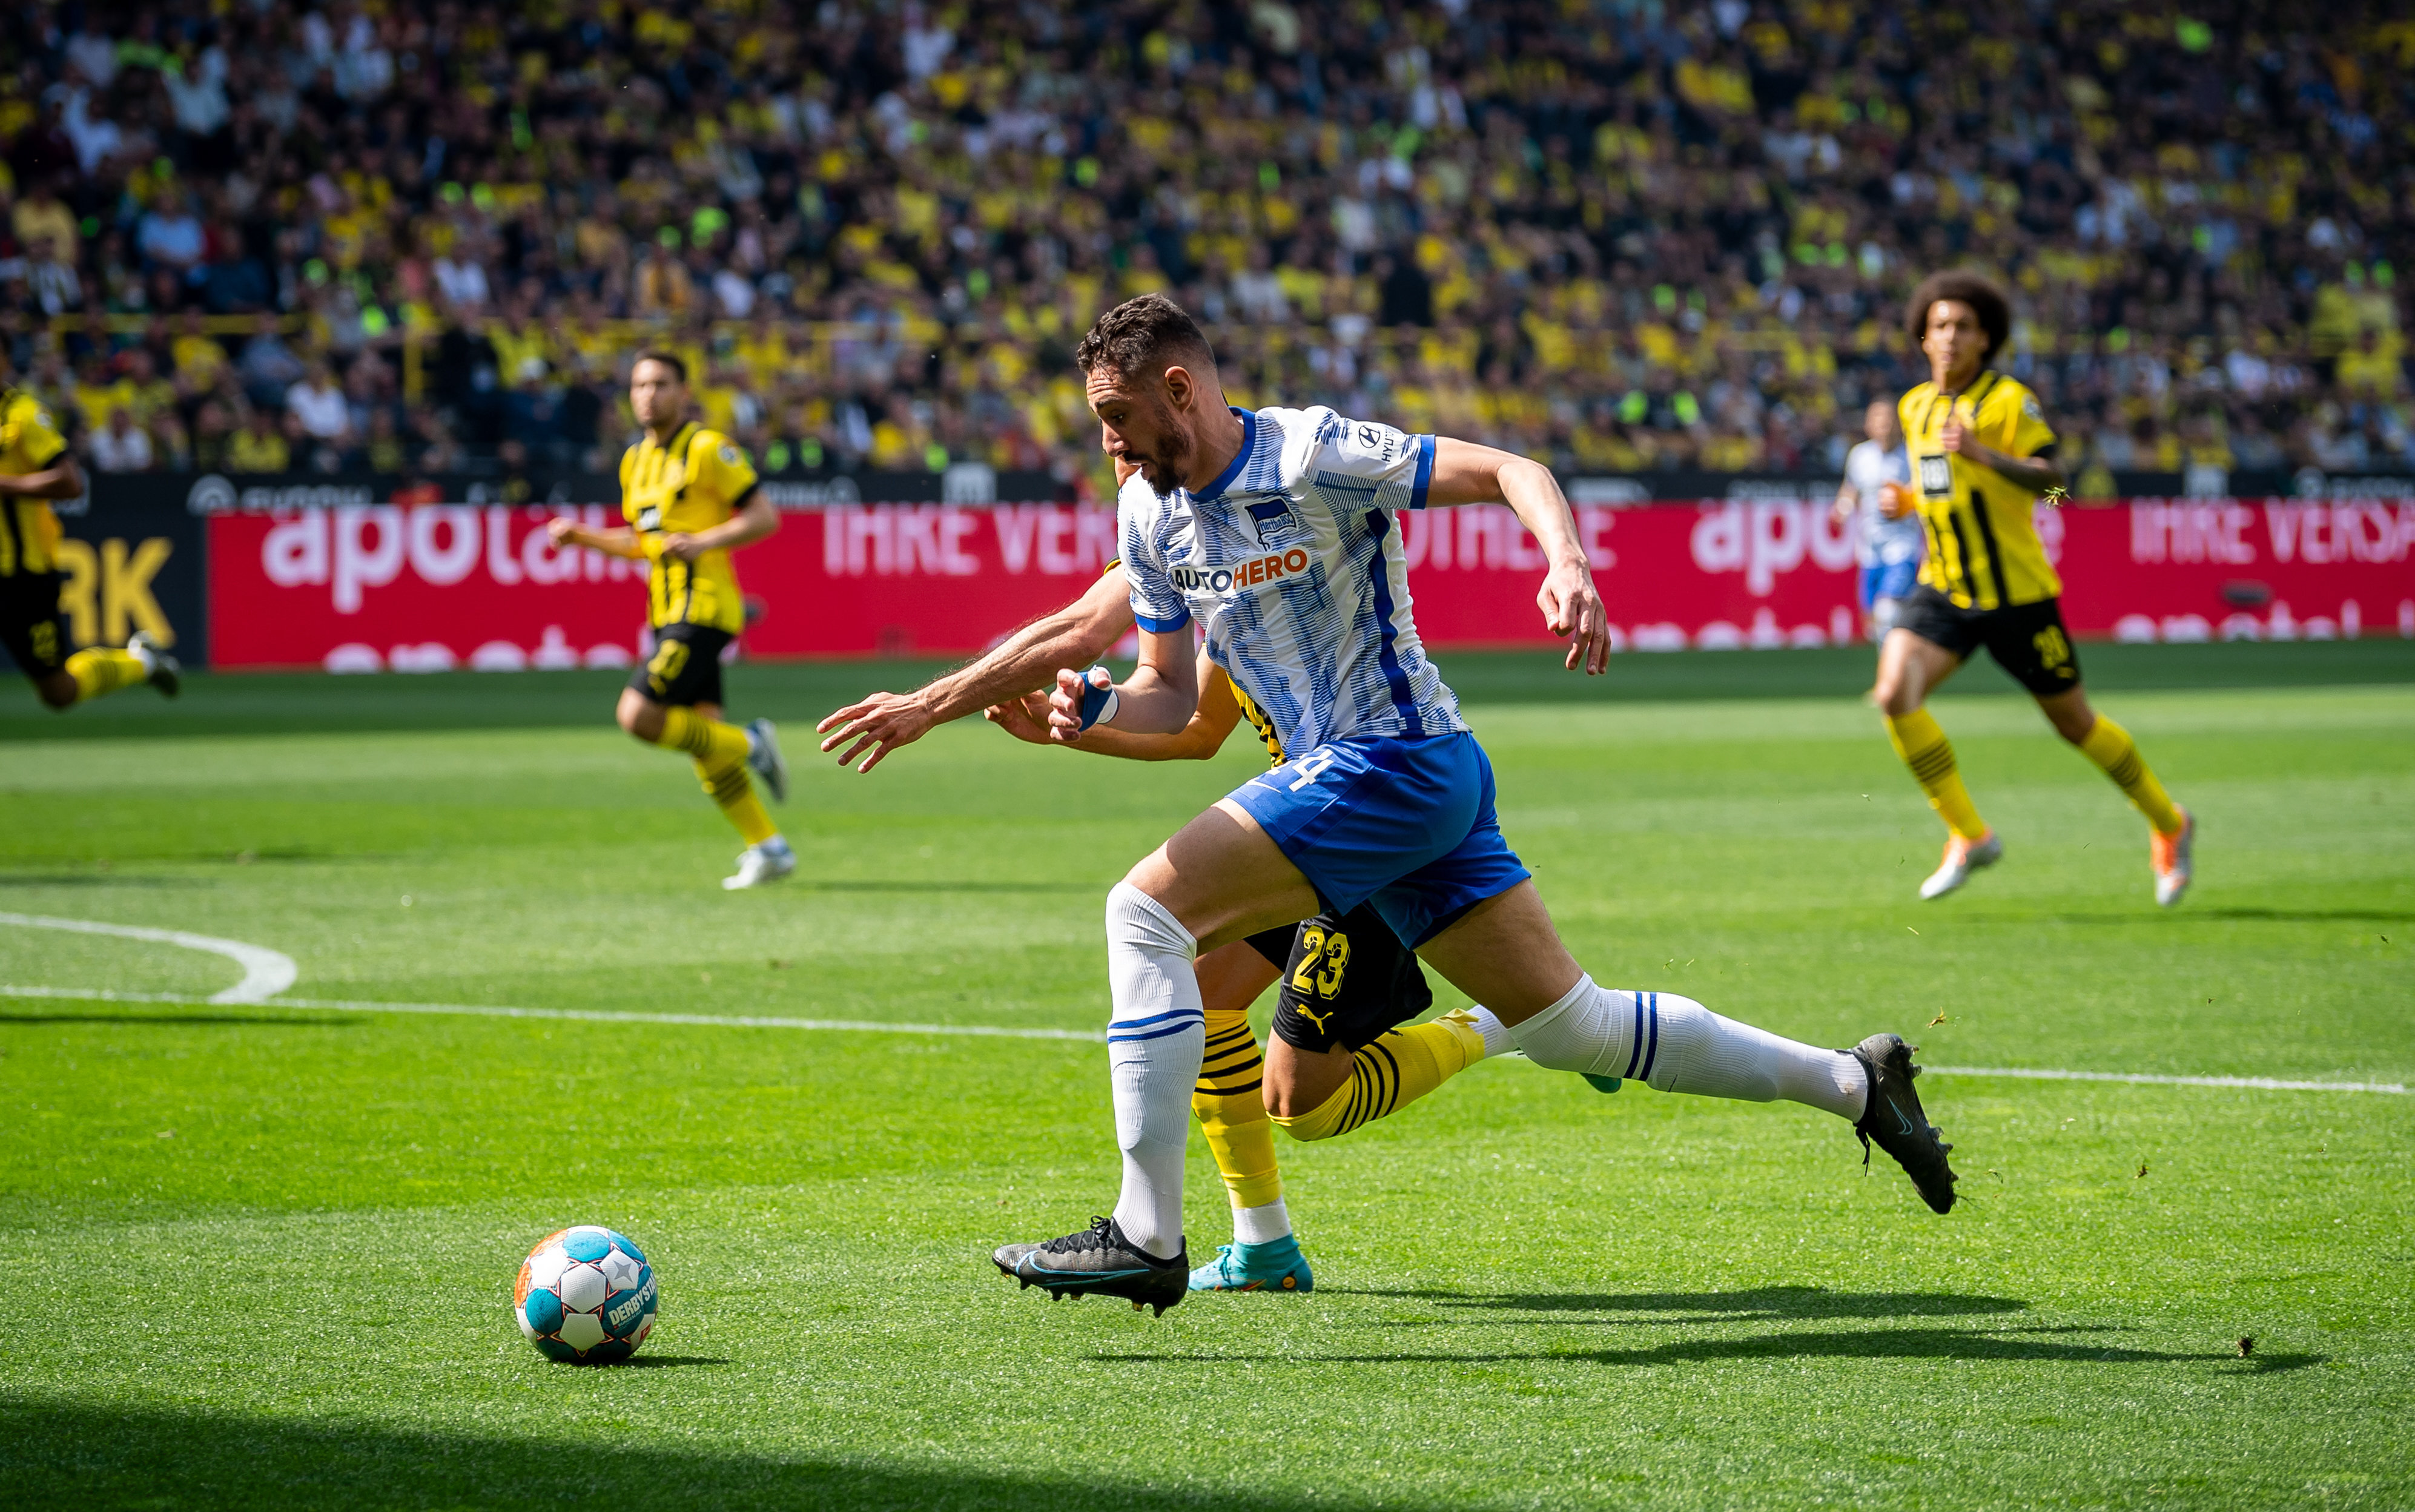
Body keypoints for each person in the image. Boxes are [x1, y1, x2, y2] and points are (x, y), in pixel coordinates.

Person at [989, 295, 1958, 1316]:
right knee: (1574, 1027)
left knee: (1146, 920)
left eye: (1116, 418)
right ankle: (1855, 1083)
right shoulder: (1176, 534)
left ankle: (1149, 1232)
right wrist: (1083, 716)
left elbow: (1509, 468)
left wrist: (1568, 563)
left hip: (1383, 774)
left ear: (1176, 392)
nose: (1109, 446)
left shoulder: (1306, 458)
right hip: (1371, 796)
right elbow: (1180, 708)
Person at [816, 463, 1581, 1296]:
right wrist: (1068, 736)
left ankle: (1507, 1022)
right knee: (1205, 994)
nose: (1127, 463)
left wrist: (932, 704)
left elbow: (1083, 632)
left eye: (1135, 439)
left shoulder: (1257, 537)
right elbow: (1198, 728)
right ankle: (1264, 1247)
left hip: (1358, 824)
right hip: (1291, 827)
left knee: (1304, 1104)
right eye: (1114, 446)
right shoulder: (1169, 549)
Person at [1878, 271, 2193, 905]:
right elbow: (1945, 490)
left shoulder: (2007, 403)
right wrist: (1906, 500)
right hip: (1944, 589)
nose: (1949, 337)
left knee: (2075, 725)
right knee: (1893, 693)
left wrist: (1986, 456)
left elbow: (2058, 484)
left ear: (1985, 339)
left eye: (1963, 327)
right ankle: (1969, 834)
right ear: (1922, 337)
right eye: (1939, 325)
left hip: (2018, 597)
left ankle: (2169, 821)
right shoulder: (1914, 408)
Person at [547, 351, 793, 890]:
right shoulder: (634, 460)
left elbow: (763, 517)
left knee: (637, 714)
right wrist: (582, 536)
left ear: (684, 392)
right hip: (665, 612)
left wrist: (702, 541)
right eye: (638, 385)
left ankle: (753, 743)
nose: (647, 395)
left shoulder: (708, 449)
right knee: (704, 743)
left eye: (659, 384)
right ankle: (768, 847)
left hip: (702, 608)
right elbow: (644, 543)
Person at [1, 381, 178, 709]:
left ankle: (143, 663)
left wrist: (6, 485)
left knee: (58, 692)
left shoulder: (22, 415)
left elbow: (70, 482)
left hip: (22, 579)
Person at [1831, 399, 1918, 641]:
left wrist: (1906, 502)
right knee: (1874, 624)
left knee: (1888, 611)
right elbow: (1851, 489)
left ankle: (1895, 674)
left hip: (1902, 545)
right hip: (1870, 548)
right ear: (1869, 425)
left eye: (1890, 419)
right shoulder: (1860, 455)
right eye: (1878, 419)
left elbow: (1924, 492)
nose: (1885, 425)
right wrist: (1842, 509)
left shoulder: (1911, 456)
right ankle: (1899, 667)